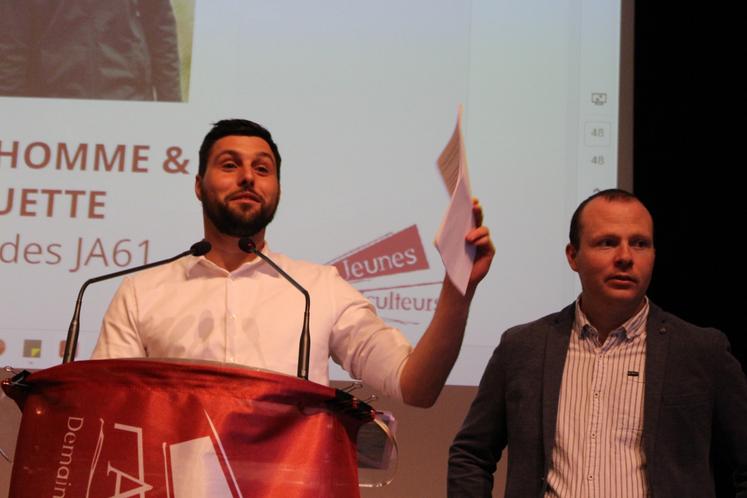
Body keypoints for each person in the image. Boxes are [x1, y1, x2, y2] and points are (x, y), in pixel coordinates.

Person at [92, 118, 494, 407]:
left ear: (277, 189)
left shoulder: (318, 288)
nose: (248, 177)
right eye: (230, 165)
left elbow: (416, 387)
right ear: (198, 186)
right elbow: (100, 406)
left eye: (262, 169)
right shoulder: (142, 292)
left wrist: (458, 289)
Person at [448, 189, 747, 497]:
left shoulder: (701, 351)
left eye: (640, 244)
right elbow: (471, 455)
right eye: (607, 243)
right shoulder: (522, 348)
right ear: (572, 256)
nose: (625, 257)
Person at [0, 0, 181, 101]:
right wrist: (11, 117)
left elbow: (161, 30)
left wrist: (172, 105)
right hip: (51, 107)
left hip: (128, 102)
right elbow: (11, 46)